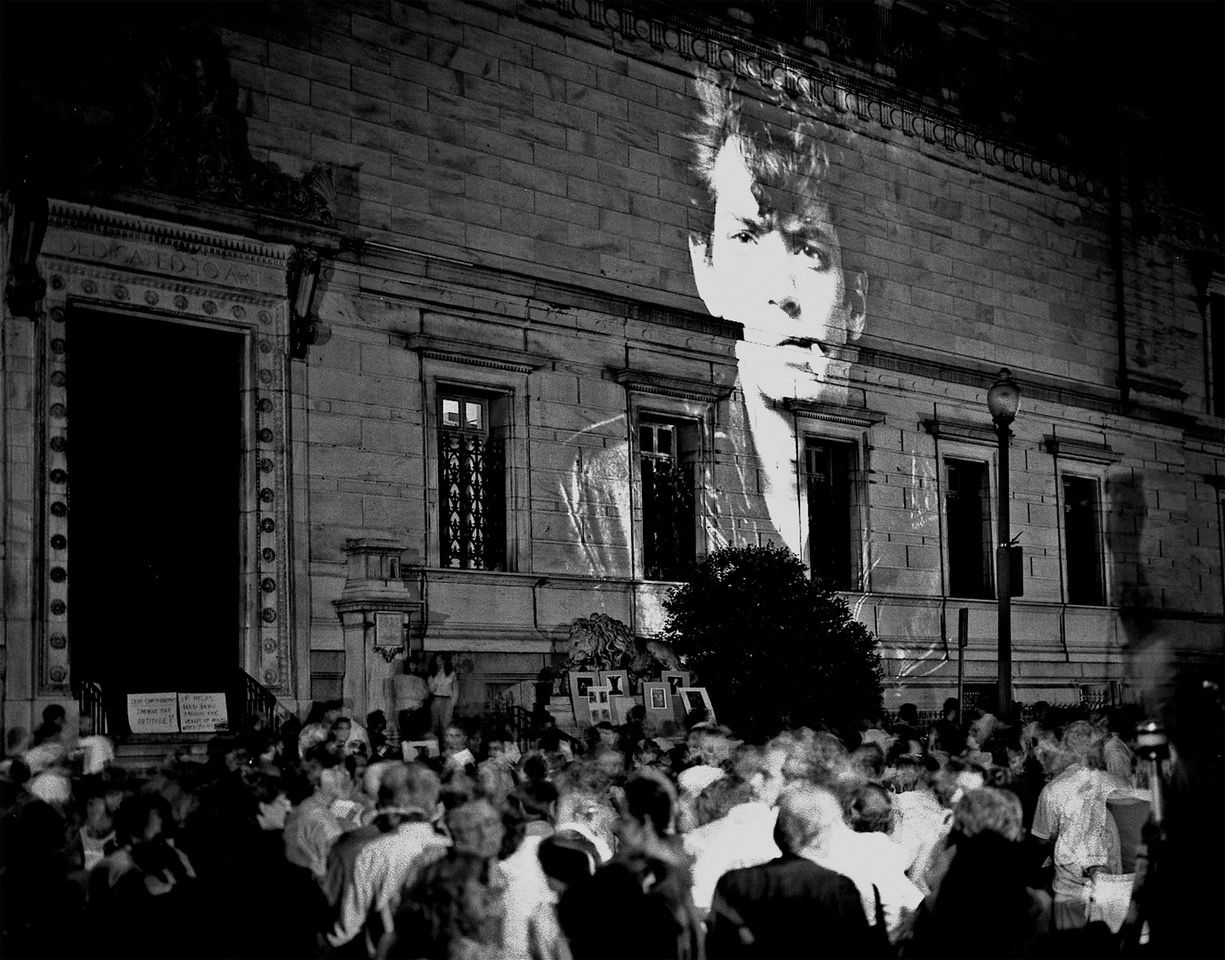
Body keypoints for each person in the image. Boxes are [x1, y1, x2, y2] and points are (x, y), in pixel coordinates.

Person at [687, 71, 868, 557]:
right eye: (745, 238)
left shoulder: (913, 502)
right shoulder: (599, 494)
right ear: (706, 271)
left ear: (855, 304)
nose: (781, 292)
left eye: (809, 250)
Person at [705, 783, 872, 959]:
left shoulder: (734, 883)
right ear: (820, 834)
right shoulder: (838, 888)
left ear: (779, 831)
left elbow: (715, 948)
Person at [393, 655, 430, 743]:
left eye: (415, 664)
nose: (413, 666)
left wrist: (412, 695)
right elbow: (398, 694)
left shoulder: (420, 679)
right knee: (404, 737)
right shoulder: (398, 679)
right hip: (403, 711)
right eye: (411, 664)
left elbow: (425, 694)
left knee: (416, 737)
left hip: (416, 711)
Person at [429, 654, 457, 742]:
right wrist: (438, 676)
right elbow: (431, 689)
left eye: (442, 661)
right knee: (435, 725)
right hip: (436, 699)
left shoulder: (452, 674)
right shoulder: (433, 674)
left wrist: (452, 704)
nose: (440, 663)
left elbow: (455, 690)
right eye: (438, 661)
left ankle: (446, 744)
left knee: (446, 726)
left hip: (447, 700)